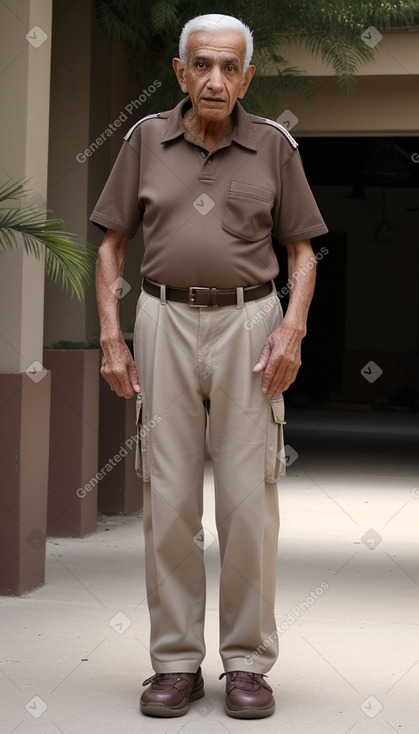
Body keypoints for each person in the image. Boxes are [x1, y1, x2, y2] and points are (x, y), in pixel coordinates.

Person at [91, 13, 328, 720]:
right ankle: (174, 664)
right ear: (180, 71)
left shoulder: (273, 145)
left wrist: (292, 326)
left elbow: (302, 253)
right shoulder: (142, 141)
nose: (215, 78)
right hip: (161, 317)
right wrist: (111, 336)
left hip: (250, 322)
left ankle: (247, 663)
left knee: (248, 500)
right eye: (202, 65)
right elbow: (110, 246)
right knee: (166, 497)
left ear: (248, 75)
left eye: (229, 66)